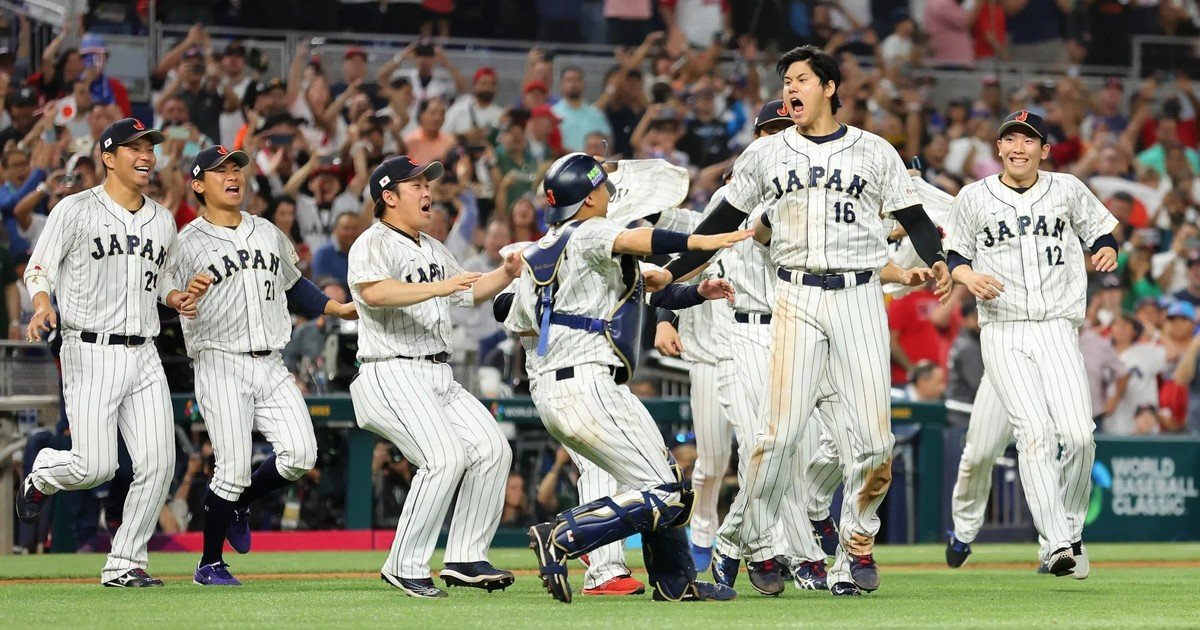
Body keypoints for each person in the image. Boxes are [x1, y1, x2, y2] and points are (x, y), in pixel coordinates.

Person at [660, 45, 949, 597]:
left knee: (875, 443)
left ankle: (855, 545)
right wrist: (671, 275)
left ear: (829, 87)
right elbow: (718, 222)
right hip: (794, 297)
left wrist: (937, 258)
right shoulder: (766, 155)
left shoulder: (874, 150)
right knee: (778, 439)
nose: (791, 88)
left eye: (801, 79)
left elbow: (913, 216)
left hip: (859, 297)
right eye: (786, 80)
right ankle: (738, 542)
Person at [519, 152, 748, 603]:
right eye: (600, 187)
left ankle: (675, 583)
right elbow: (639, 239)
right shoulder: (588, 230)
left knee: (668, 483)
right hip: (585, 384)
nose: (608, 192)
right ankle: (563, 536)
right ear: (587, 199)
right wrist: (702, 240)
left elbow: (649, 282)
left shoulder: (547, 249)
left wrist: (694, 292)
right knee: (665, 492)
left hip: (567, 384)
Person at [16, 118, 203, 587]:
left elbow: (161, 279)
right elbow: (39, 268)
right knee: (95, 466)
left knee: (159, 464)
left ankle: (124, 563)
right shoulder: (75, 208)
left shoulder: (162, 219)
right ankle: (44, 473)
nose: (146, 156)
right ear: (108, 157)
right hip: (90, 348)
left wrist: (176, 297)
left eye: (149, 148)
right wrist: (42, 304)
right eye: (134, 148)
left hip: (145, 352)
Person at [944, 109, 1119, 579]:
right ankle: (1055, 543)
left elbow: (1102, 232)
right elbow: (955, 254)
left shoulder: (1067, 189)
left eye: (1028, 140)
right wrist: (967, 276)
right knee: (1029, 437)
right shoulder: (974, 196)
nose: (1018, 147)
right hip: (1003, 330)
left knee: (1079, 436)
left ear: (1044, 150)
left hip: (1057, 328)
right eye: (1010, 139)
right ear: (999, 147)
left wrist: (1107, 247)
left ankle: (1071, 532)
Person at [175, 145, 358, 585]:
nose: (233, 176)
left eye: (236, 168)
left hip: (271, 361)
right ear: (198, 184)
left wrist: (336, 308)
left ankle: (240, 500)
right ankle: (209, 563)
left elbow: (295, 286)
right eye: (220, 171)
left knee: (300, 454)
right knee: (233, 467)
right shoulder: (184, 242)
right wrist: (179, 299)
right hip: (219, 359)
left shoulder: (266, 231)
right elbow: (161, 293)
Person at [347, 155, 518, 598]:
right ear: (389, 196)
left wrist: (506, 272)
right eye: (416, 185)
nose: (427, 192)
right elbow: (374, 292)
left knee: (492, 449)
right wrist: (438, 287)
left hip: (437, 373)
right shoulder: (372, 241)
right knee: (444, 458)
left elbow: (470, 291)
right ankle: (403, 564)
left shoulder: (433, 248)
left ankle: (464, 557)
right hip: (391, 369)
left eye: (428, 184)